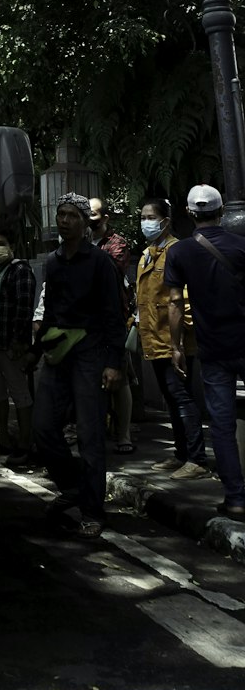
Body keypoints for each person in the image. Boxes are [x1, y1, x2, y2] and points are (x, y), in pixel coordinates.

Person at [32, 192, 126, 538]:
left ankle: (93, 510)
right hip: (59, 354)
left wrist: (113, 363)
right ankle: (73, 486)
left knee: (89, 434)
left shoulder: (100, 263)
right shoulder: (53, 262)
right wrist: (36, 350)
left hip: (92, 352)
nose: (65, 220)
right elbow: (51, 311)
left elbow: (114, 316)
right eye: (61, 214)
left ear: (85, 222)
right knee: (42, 427)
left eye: (72, 215)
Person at [165, 185, 245, 521]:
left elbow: (172, 303)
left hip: (213, 349)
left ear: (188, 212)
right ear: (222, 209)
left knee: (222, 427)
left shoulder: (180, 252)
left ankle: (237, 499)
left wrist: (176, 346)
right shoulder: (241, 244)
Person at [136, 196, 208, 478]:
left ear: (166, 221)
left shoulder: (178, 251)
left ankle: (197, 459)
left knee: (181, 397)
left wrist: (178, 341)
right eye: (142, 217)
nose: (145, 223)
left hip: (175, 341)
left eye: (150, 217)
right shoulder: (147, 253)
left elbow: (185, 301)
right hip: (154, 339)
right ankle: (181, 454)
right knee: (172, 397)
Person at [0, 230, 36, 460]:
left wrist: (18, 342)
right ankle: (2, 438)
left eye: (0, 243)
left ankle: (25, 442)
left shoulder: (20, 270)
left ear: (11, 244)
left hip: (9, 343)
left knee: (19, 392)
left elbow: (24, 309)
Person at [89, 197, 136, 454]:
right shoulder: (80, 243)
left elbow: (109, 273)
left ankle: (124, 434)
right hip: (86, 322)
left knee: (120, 377)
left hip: (113, 318)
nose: (87, 219)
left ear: (105, 218)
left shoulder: (117, 245)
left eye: (93, 215)